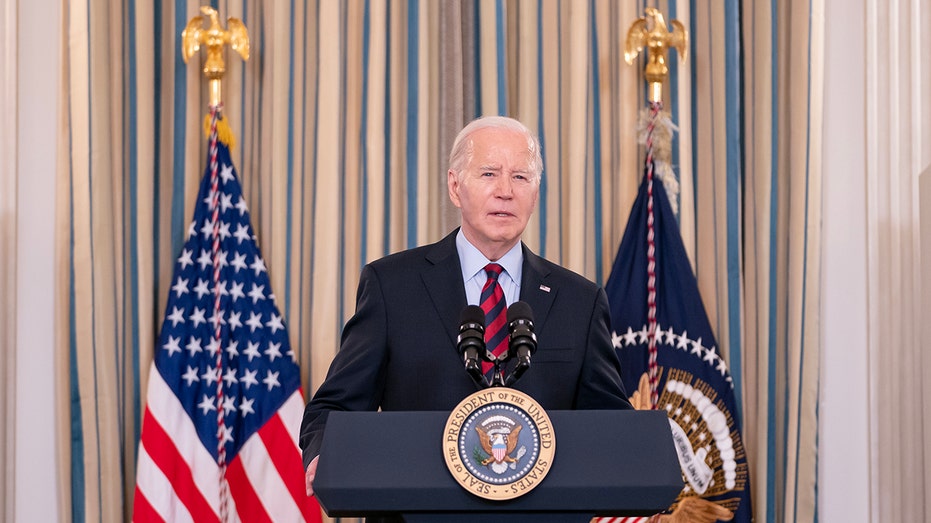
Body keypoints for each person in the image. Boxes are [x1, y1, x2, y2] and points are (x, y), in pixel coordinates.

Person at [300, 115, 632, 496]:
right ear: (455, 187)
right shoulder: (392, 286)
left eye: (521, 177)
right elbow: (335, 405)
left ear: (535, 193)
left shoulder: (581, 301)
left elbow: (610, 425)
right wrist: (324, 454)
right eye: (489, 174)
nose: (506, 190)